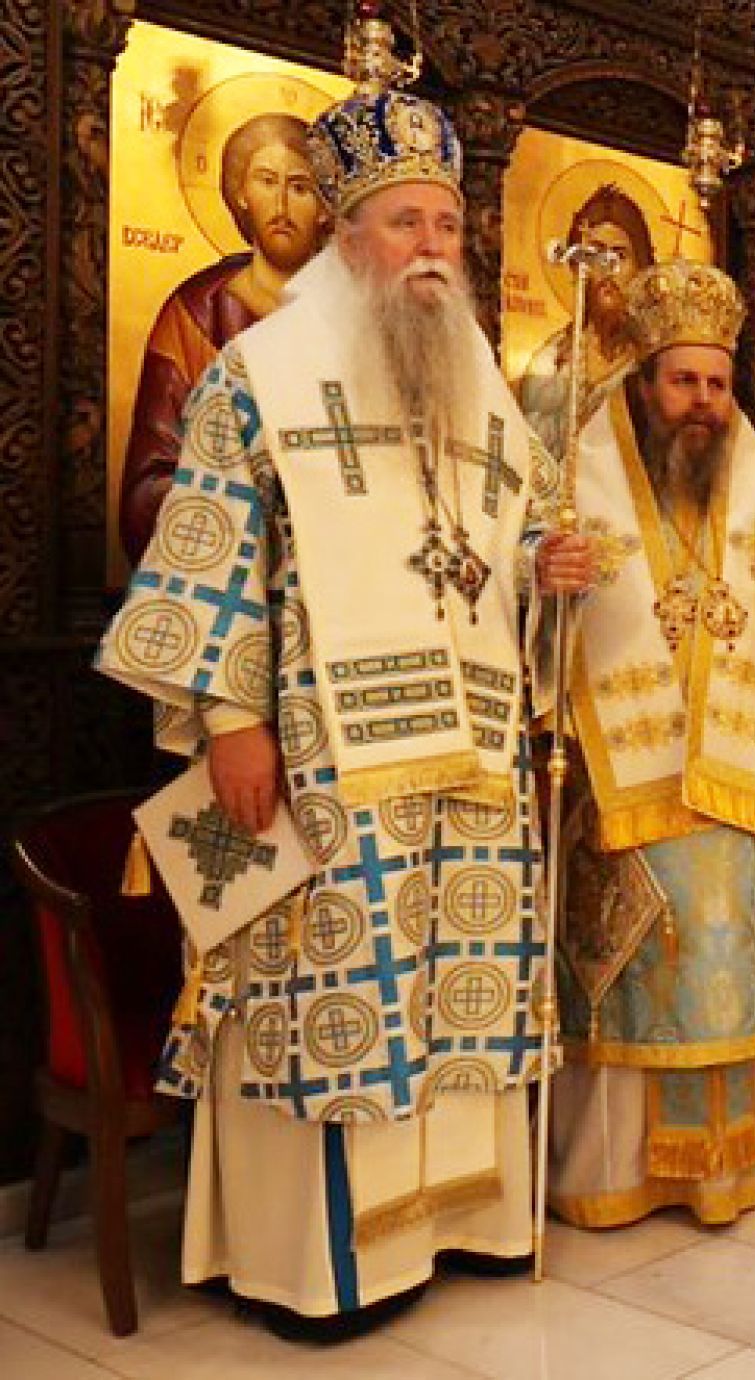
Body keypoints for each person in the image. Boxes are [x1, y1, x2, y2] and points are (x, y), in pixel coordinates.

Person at [99, 89, 549, 1333]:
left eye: (447, 225)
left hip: (469, 757)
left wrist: (547, 566)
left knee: (456, 984)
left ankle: (462, 1225)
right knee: (333, 993)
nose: (433, 247)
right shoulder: (261, 370)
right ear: (348, 236)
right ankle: (323, 1266)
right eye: (407, 222)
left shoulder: (479, 381)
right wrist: (231, 723)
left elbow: (500, 545)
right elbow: (208, 552)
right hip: (321, 751)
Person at [540, 260, 755, 1227]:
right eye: (684, 380)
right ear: (643, 382)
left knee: (731, 963)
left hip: (739, 779)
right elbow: (524, 628)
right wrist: (545, 583)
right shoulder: (578, 478)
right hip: (623, 788)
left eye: (719, 383)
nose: (704, 402)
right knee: (636, 974)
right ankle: (615, 1175)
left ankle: (734, 1167)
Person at [121, 111, 332, 563]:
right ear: (240, 193)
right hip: (222, 565)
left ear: (324, 209)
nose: (281, 205)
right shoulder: (196, 313)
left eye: (300, 187)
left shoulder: (347, 319)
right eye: (266, 181)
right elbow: (147, 484)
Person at [517, 185, 655, 453]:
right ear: (575, 264)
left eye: (620, 255)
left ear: (641, 267)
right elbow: (535, 452)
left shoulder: (650, 362)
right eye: (596, 254)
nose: (608, 268)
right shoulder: (552, 361)